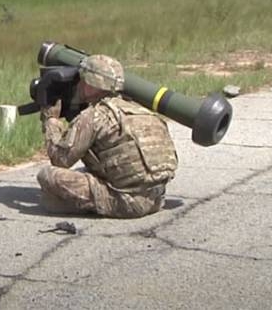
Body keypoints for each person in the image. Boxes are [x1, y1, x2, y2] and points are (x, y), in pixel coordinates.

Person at [37, 54, 178, 218]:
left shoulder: (95, 116)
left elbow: (60, 160)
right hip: (156, 199)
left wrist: (51, 120)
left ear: (91, 85)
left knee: (48, 175)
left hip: (126, 202)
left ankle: (88, 205)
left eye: (84, 79)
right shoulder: (141, 110)